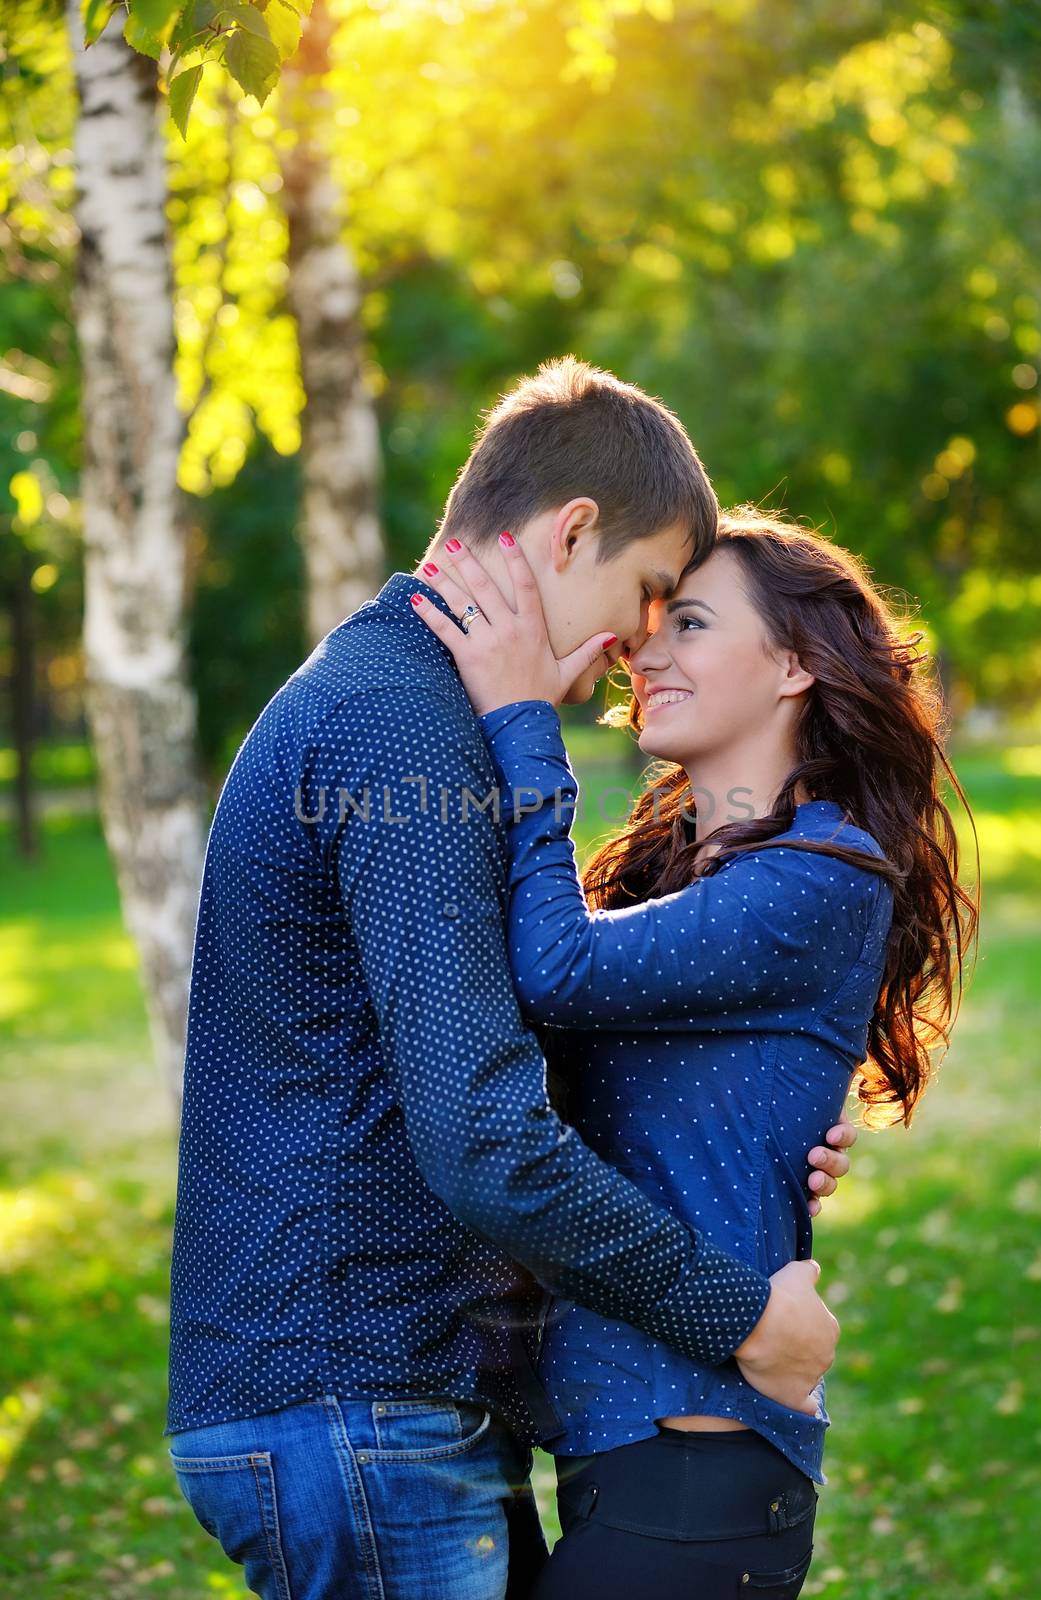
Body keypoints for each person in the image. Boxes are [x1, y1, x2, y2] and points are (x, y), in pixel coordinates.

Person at [164, 358, 858, 1600]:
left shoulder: (407, 703)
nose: (626, 657)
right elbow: (483, 1139)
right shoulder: (405, 725)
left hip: (380, 1398)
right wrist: (739, 1318)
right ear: (571, 528)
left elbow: (494, 1033)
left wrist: (760, 1108)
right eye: (645, 598)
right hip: (357, 1397)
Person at [412, 504, 978, 1598]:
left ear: (796, 667)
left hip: (697, 1474)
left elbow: (554, 971)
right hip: (624, 1460)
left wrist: (524, 715)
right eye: (650, 622)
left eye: (692, 624)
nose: (644, 649)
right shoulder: (683, 876)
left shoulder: (822, 875)